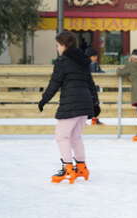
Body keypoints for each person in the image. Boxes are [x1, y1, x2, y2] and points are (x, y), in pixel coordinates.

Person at [38, 31, 100, 184]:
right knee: (75, 137)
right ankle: (81, 167)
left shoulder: (63, 61)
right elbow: (91, 83)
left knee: (62, 136)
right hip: (84, 102)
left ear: (64, 45)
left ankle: (68, 168)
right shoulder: (83, 61)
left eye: (58, 45)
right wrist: (95, 103)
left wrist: (43, 99)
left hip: (71, 103)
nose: (57, 48)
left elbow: (55, 83)